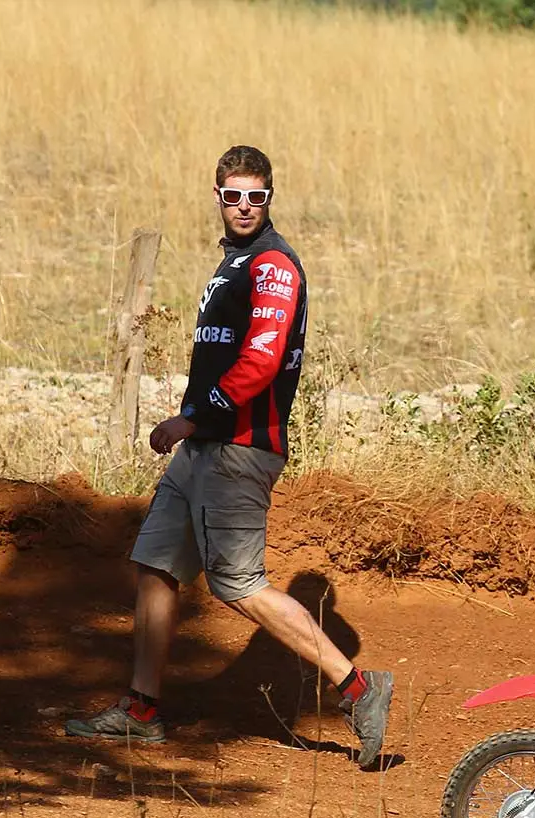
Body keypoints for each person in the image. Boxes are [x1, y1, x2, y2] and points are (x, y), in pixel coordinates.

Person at [66, 145, 393, 767]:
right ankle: (141, 709)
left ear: (270, 198)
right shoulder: (235, 264)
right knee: (157, 566)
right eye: (234, 195)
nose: (245, 206)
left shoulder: (273, 267)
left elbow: (261, 363)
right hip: (204, 449)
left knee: (236, 584)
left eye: (257, 196)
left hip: (239, 450)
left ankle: (357, 687)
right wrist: (195, 430)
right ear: (218, 196)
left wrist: (191, 417)